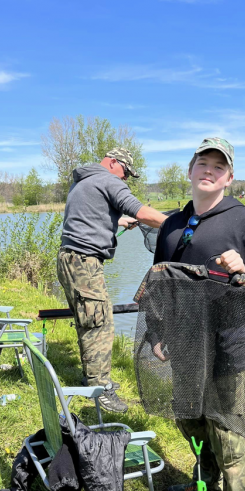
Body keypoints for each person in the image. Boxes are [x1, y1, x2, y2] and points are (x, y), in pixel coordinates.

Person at [152, 137, 245, 491]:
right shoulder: (172, 224)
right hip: (185, 343)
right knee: (190, 419)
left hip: (229, 343)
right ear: (190, 171)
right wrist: (158, 329)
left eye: (218, 166)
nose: (208, 171)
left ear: (229, 176)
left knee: (228, 430)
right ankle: (203, 485)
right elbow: (159, 278)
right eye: (201, 164)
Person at [57, 148, 167, 413]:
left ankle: (93, 378)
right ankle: (100, 388)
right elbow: (141, 211)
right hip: (84, 262)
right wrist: (176, 224)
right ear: (113, 163)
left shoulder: (83, 181)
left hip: (70, 259)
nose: (126, 178)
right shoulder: (108, 180)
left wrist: (118, 222)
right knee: (100, 324)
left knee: (89, 320)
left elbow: (91, 218)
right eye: (126, 171)